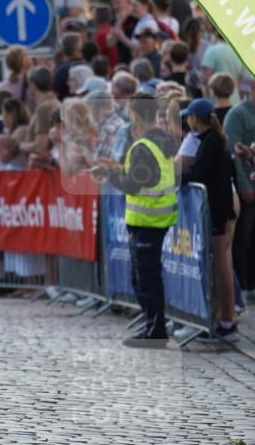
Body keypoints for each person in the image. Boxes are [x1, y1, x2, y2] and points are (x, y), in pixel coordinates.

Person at [92, 94, 178, 347]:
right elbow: (144, 176)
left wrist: (110, 176)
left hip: (146, 220)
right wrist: (115, 169)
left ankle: (156, 332)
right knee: (144, 278)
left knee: (145, 279)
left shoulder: (142, 147)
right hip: (158, 218)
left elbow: (134, 184)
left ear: (134, 115)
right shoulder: (163, 140)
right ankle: (153, 327)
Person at [181, 99, 238, 341]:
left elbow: (200, 173)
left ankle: (226, 321)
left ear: (196, 118)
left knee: (221, 266)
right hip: (217, 209)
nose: (186, 121)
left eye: (189, 117)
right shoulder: (211, 140)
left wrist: (178, 177)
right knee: (219, 265)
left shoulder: (211, 142)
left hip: (216, 211)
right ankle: (222, 319)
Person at [225, 77, 255, 303]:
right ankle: (243, 284)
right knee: (244, 237)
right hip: (247, 188)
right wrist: (244, 185)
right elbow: (234, 155)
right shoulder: (238, 115)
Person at [201, 36, 243, 105]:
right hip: (235, 101)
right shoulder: (239, 52)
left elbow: (206, 79)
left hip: (217, 102)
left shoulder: (212, 50)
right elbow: (239, 82)